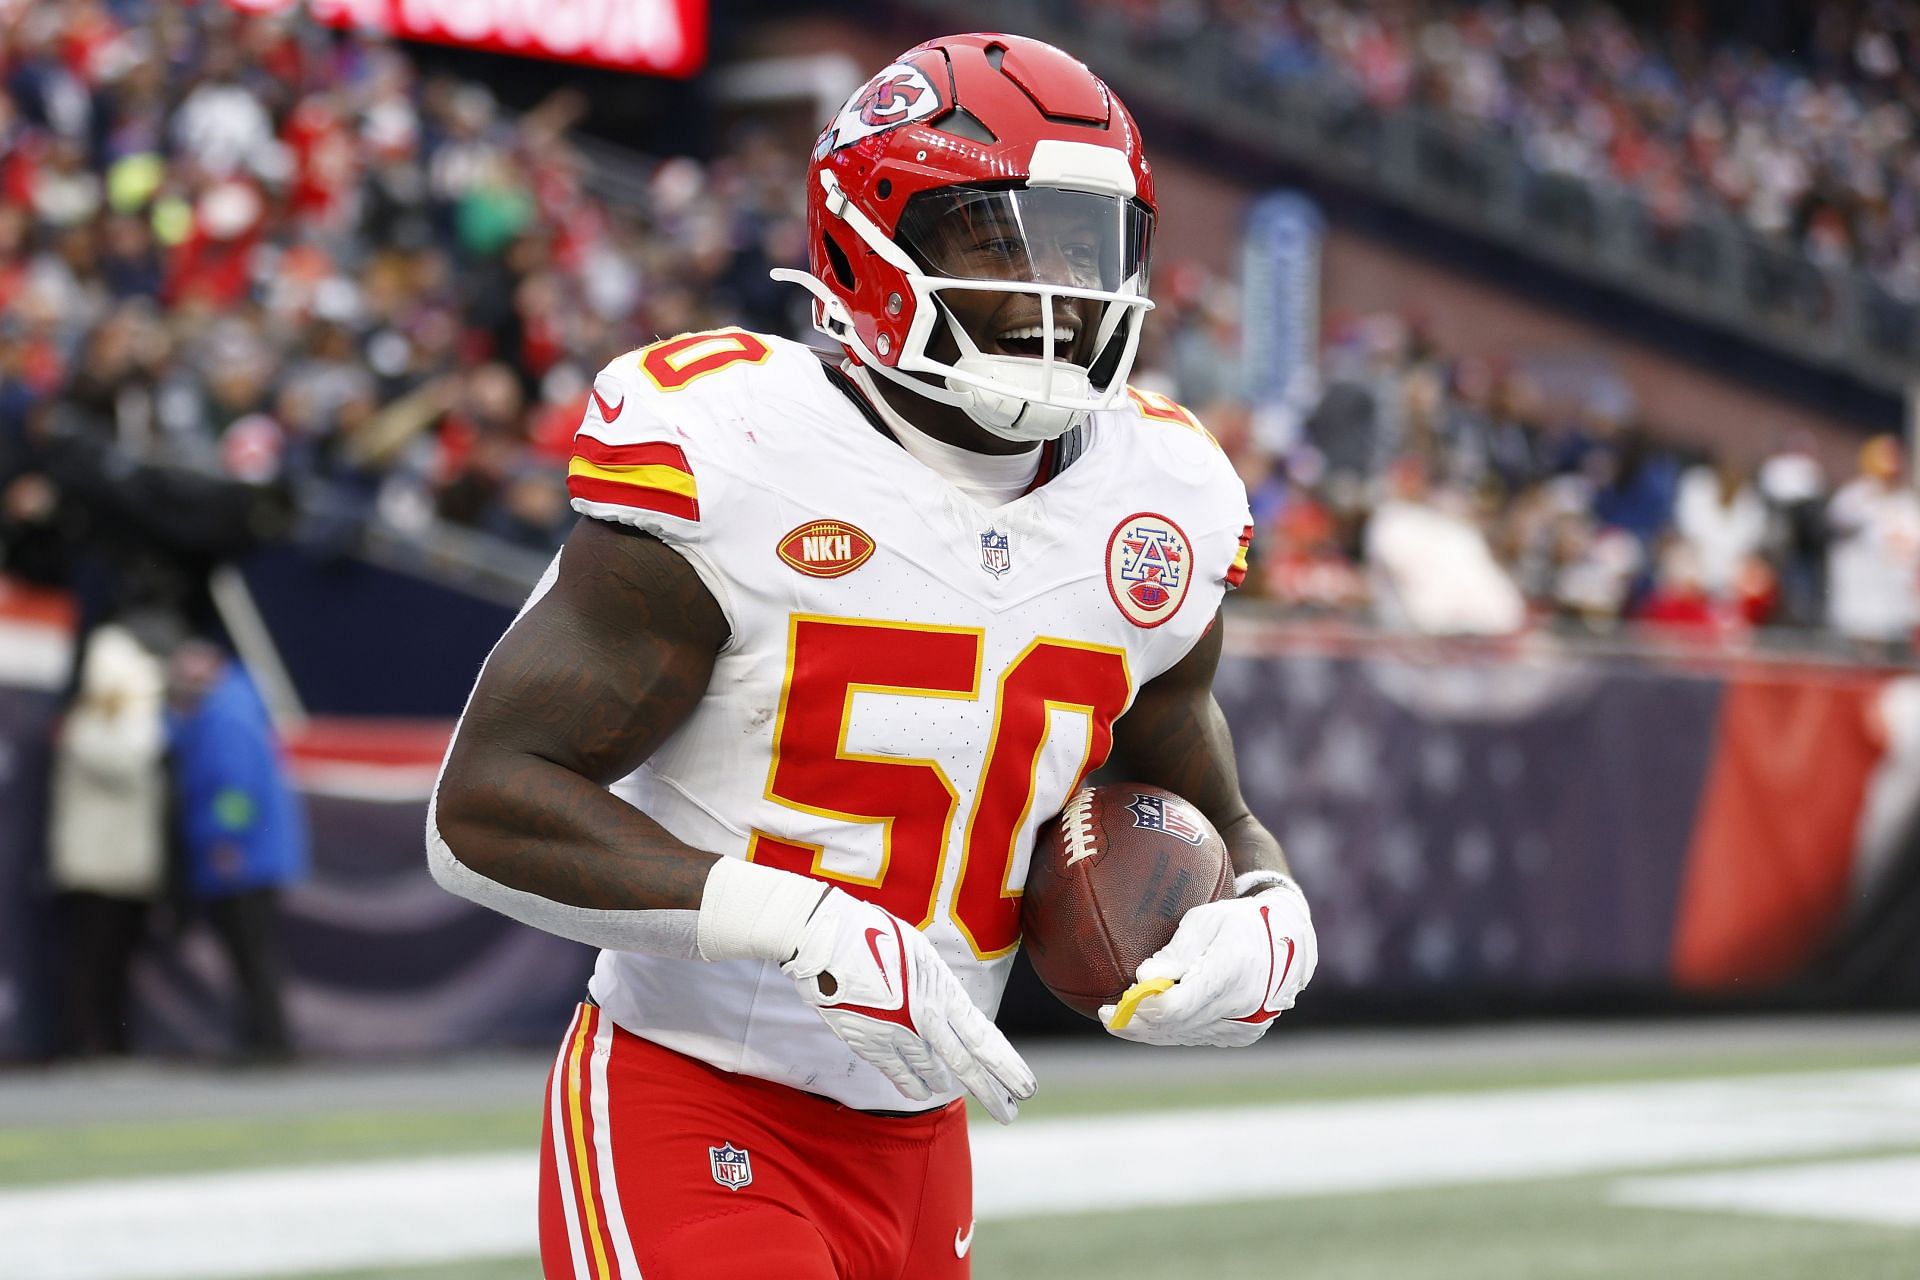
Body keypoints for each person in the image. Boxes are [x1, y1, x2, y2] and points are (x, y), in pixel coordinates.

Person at [429, 33, 1318, 1280]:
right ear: (865, 236)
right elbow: (482, 807)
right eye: (999, 243)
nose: (1055, 291)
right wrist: (791, 920)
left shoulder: (1159, 498)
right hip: (697, 1101)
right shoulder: (738, 446)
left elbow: (1204, 797)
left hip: (926, 1137)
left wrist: (1270, 902)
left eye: (1081, 246)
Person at [167, 639, 308, 1059]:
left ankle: (268, 1042)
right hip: (253, 854)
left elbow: (236, 786)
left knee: (251, 952)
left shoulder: (226, 713)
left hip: (243, 857)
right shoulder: (230, 706)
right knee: (252, 952)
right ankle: (264, 1038)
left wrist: (226, 841)